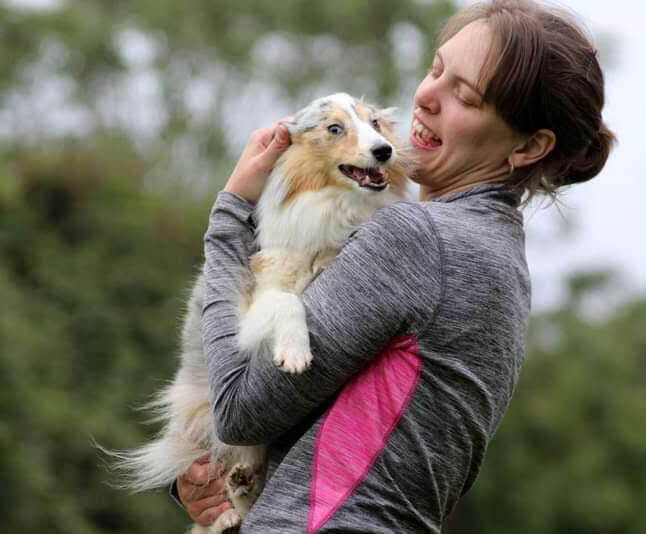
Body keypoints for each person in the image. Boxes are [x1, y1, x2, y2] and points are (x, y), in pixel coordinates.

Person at [173, 0, 615, 531]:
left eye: (465, 96)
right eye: (436, 70)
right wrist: (212, 479)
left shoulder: (416, 240)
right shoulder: (499, 262)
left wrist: (230, 215)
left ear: (529, 147)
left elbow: (239, 412)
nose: (426, 98)